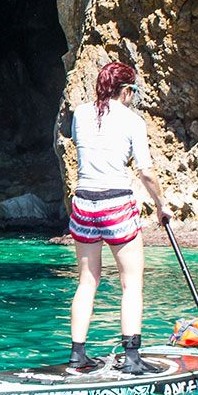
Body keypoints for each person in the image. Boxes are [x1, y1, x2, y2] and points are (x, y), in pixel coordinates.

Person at [64, 61, 169, 374]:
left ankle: (77, 356)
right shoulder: (132, 120)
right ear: (126, 90)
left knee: (87, 281)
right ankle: (133, 359)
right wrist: (161, 205)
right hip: (116, 206)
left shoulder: (80, 114)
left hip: (83, 205)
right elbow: (146, 172)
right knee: (131, 283)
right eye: (132, 91)